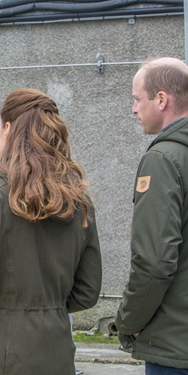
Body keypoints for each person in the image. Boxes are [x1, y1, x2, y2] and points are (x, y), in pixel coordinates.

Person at [0, 88, 102, 375]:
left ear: (7, 129)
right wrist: (47, 306)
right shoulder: (79, 199)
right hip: (56, 350)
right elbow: (88, 291)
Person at [114, 57, 188, 374]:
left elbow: (155, 261)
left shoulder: (163, 159)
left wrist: (128, 322)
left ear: (161, 100)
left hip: (174, 345)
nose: (133, 109)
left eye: (136, 99)